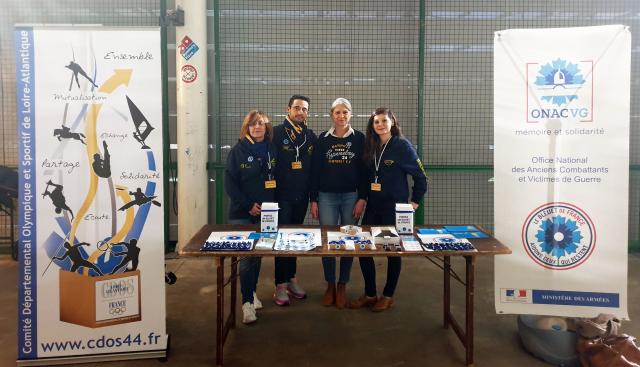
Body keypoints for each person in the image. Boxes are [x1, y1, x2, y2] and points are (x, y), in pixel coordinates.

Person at [350, 107, 427, 312]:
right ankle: (370, 294)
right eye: (376, 122)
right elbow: (367, 178)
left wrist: (414, 202)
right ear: (372, 125)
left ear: (392, 122)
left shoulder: (402, 146)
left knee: (392, 251)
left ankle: (388, 295)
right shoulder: (372, 146)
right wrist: (362, 199)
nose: (380, 125)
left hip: (393, 209)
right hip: (373, 207)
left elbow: (421, 177)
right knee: (365, 249)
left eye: (384, 121)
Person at [309, 98, 367, 309]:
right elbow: (315, 172)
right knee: (327, 241)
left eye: (345, 112)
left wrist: (362, 197)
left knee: (347, 240)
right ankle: (330, 284)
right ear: (331, 115)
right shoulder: (322, 140)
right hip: (326, 197)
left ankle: (343, 284)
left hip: (351, 196)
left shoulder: (360, 138)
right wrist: (313, 199)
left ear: (351, 114)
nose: (341, 116)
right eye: (337, 113)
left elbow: (365, 171)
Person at [225, 110, 277, 324]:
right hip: (242, 214)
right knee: (246, 258)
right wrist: (248, 206)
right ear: (247, 127)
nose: (257, 128)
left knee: (258, 256)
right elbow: (230, 183)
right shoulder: (237, 151)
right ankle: (246, 304)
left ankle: (252, 292)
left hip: (266, 215)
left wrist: (269, 208)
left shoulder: (272, 150)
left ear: (267, 128)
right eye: (253, 124)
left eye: (261, 124)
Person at [272, 95, 317, 306]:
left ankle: (292, 280)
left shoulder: (309, 135)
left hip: (301, 196)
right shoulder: (276, 133)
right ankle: (280, 285)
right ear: (288, 109)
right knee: (281, 240)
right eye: (297, 108)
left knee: (295, 238)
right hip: (281, 196)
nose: (301, 112)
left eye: (304, 109)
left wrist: (313, 197)